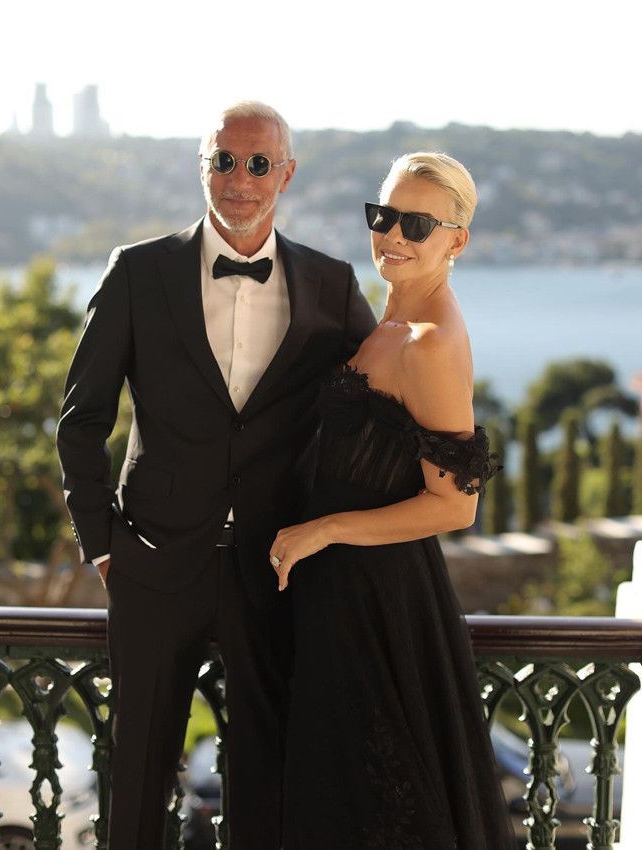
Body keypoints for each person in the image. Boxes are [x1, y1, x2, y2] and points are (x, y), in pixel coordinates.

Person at [56, 100, 376, 850]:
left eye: (259, 163)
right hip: (154, 564)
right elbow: (82, 419)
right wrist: (104, 546)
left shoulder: (330, 285)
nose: (240, 177)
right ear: (202, 168)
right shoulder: (138, 272)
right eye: (223, 160)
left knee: (269, 781)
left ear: (286, 174)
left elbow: (379, 407)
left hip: (277, 573)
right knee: (136, 777)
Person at [269, 152, 516, 849]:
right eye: (384, 216)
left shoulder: (429, 343)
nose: (393, 235)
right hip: (343, 587)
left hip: (376, 599)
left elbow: (455, 506)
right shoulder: (391, 321)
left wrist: (323, 530)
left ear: (456, 240)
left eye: (417, 224)